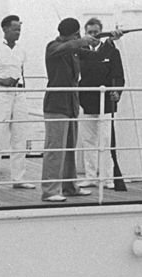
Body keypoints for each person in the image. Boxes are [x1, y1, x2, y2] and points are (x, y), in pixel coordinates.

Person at [41, 18, 105, 202]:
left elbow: (95, 56)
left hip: (71, 104)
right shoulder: (53, 46)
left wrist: (108, 41)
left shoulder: (73, 49)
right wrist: (82, 41)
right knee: (55, 149)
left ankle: (69, 186)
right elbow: (64, 48)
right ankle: (50, 190)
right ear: (75, 33)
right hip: (56, 105)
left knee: (70, 148)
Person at [0, 15, 35, 191]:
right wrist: (2, 82)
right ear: (5, 29)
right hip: (1, 94)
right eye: (15, 29)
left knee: (20, 136)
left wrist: (23, 89)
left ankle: (18, 178)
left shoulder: (21, 50)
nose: (18, 32)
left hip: (18, 94)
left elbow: (22, 72)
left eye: (19, 29)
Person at [76, 17, 125, 189]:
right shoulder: (80, 51)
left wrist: (117, 92)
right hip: (86, 101)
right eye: (90, 32)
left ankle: (107, 178)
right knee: (88, 141)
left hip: (106, 102)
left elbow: (119, 75)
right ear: (85, 33)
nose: (93, 35)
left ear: (101, 32)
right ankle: (90, 176)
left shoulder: (111, 51)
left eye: (96, 32)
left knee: (105, 140)